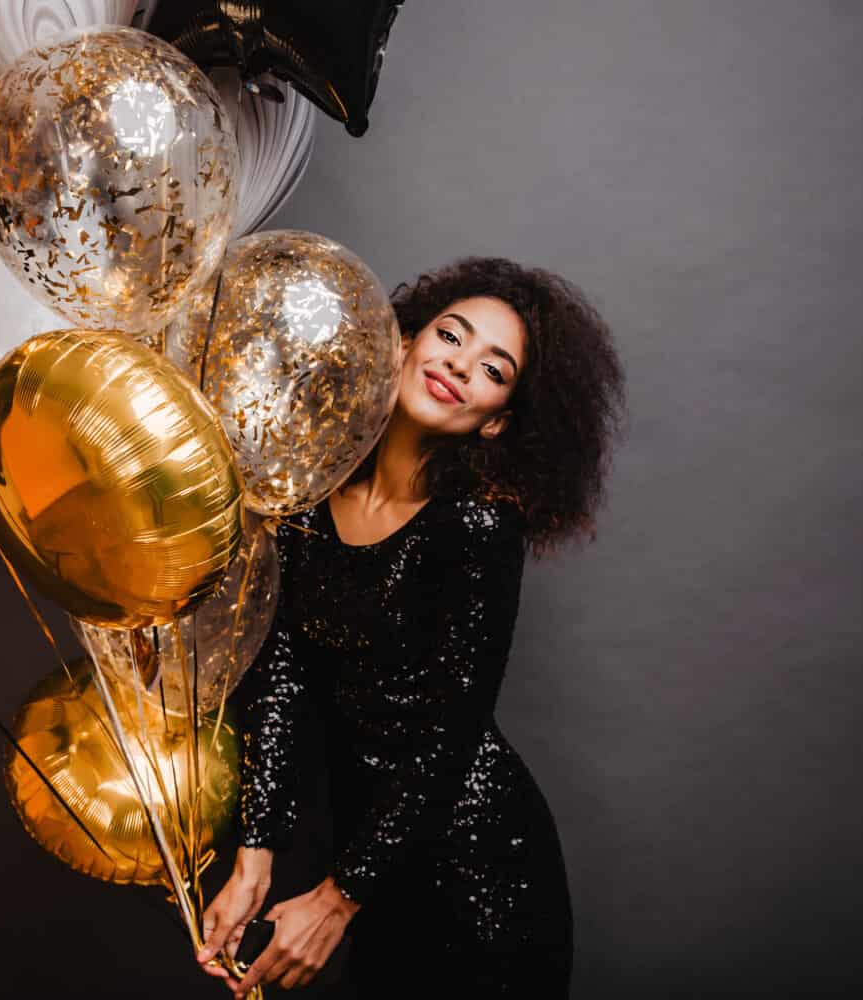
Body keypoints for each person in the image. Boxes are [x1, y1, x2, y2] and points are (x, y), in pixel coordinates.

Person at [196, 257, 625, 997]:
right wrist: (254, 856)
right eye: (450, 336)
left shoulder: (478, 526)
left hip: (479, 869)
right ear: (400, 343)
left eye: (493, 370)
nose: (460, 365)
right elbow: (283, 669)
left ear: (496, 419)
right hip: (370, 864)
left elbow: (448, 735)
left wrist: (336, 900)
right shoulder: (312, 489)